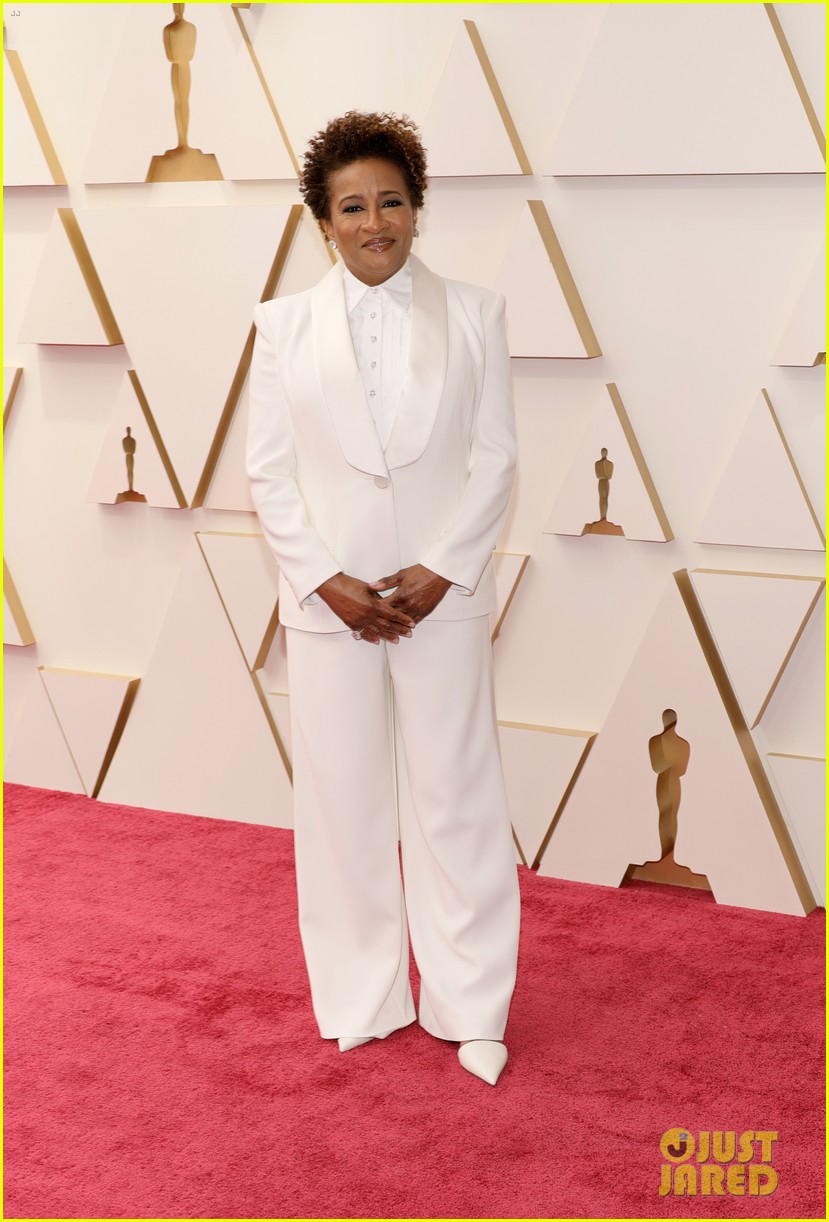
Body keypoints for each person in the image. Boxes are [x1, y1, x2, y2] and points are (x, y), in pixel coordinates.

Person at [246, 112, 520, 1086]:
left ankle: (472, 1002)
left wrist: (443, 566)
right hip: (330, 604)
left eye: (391, 201)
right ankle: (361, 996)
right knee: (341, 803)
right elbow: (269, 474)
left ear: (417, 206)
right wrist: (329, 582)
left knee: (458, 798)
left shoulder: (478, 314)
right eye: (352, 206)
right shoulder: (281, 326)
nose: (374, 222)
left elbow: (494, 459)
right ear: (322, 220)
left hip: (440, 595)